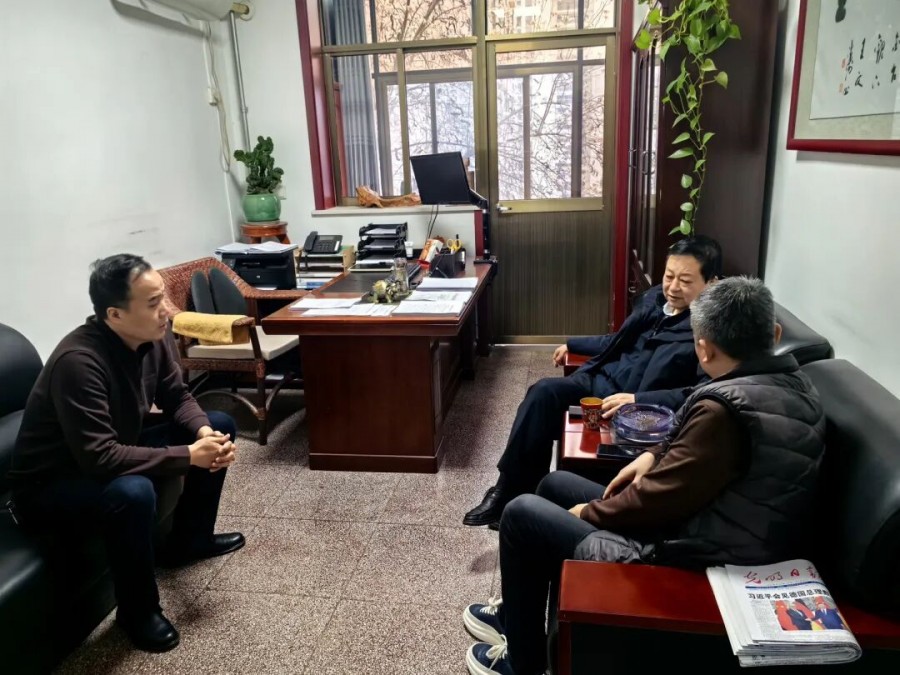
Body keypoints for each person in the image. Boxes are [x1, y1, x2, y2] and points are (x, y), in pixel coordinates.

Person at [461, 277, 826, 675]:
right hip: (706, 527)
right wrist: (653, 455)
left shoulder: (724, 412)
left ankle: (523, 663)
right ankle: (520, 620)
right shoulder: (791, 383)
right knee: (552, 484)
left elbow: (658, 502)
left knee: (521, 514)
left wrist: (589, 513)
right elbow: (692, 451)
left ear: (703, 348)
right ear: (775, 335)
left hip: (684, 555)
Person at [7, 254, 245, 654]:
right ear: (114, 315)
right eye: (153, 303)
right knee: (133, 491)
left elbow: (176, 396)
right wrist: (189, 455)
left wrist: (205, 434)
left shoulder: (154, 335)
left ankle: (190, 541)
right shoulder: (78, 362)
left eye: (162, 298)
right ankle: (137, 612)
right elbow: (100, 458)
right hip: (51, 482)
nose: (165, 310)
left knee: (219, 424)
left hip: (111, 445)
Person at [463, 236, 723, 529]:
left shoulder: (708, 332)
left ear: (711, 283)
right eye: (669, 276)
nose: (673, 287)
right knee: (543, 393)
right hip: (603, 380)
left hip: (635, 410)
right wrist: (573, 344)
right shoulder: (654, 301)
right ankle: (509, 488)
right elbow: (619, 339)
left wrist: (637, 400)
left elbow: (700, 393)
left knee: (550, 406)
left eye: (685, 281)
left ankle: (528, 501)